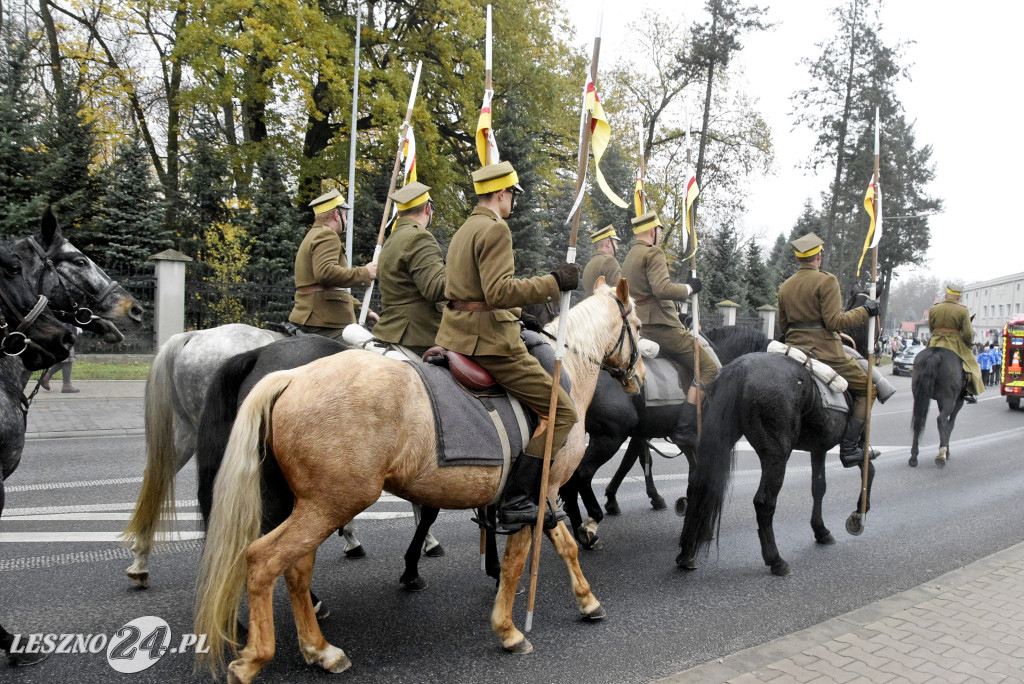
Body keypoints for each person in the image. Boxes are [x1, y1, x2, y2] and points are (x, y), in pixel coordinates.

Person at [434, 161, 578, 532]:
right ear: (502, 194)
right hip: (490, 342)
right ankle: (518, 499)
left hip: (455, 332)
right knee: (563, 413)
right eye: (512, 194)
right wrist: (553, 282)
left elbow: (475, 291)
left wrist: (518, 314)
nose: (513, 201)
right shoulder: (496, 229)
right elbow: (497, 291)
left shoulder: (467, 227)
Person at [776, 232, 881, 466]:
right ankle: (851, 448)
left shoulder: (785, 286)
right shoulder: (827, 280)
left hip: (793, 348)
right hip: (824, 351)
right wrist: (866, 311)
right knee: (868, 388)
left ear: (798, 259)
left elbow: (784, 325)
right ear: (818, 257)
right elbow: (835, 322)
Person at [620, 210, 716, 450]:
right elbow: (662, 289)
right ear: (653, 231)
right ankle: (684, 427)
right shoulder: (653, 252)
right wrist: (688, 288)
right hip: (662, 326)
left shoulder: (630, 255)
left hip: (640, 325)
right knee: (709, 368)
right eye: (660, 232)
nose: (660, 236)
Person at [288, 188, 377, 340]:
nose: (347, 221)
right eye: (346, 216)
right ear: (337, 215)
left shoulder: (313, 234)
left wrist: (362, 308)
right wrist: (365, 273)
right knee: (366, 355)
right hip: (325, 320)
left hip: (313, 315)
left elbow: (329, 288)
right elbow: (325, 273)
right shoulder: (327, 234)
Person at [372, 181, 446, 358]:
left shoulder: (392, 239)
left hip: (391, 329)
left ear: (399, 213)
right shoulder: (419, 236)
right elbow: (435, 289)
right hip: (420, 334)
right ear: (428, 209)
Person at [927, 284, 982, 403]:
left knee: (920, 362)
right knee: (972, 366)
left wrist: (936, 336)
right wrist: (967, 344)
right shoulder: (963, 310)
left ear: (946, 295)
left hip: (935, 342)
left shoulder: (934, 308)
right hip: (954, 343)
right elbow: (967, 333)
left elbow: (931, 328)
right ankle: (969, 392)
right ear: (958, 298)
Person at [582, 224, 621, 296]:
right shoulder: (609, 261)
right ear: (608, 243)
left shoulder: (589, 264)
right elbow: (619, 292)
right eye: (616, 243)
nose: (617, 248)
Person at [40, 322, 80, 393]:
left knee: (63, 360)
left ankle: (46, 377)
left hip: (58, 332)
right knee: (68, 361)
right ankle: (66, 385)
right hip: (65, 333)